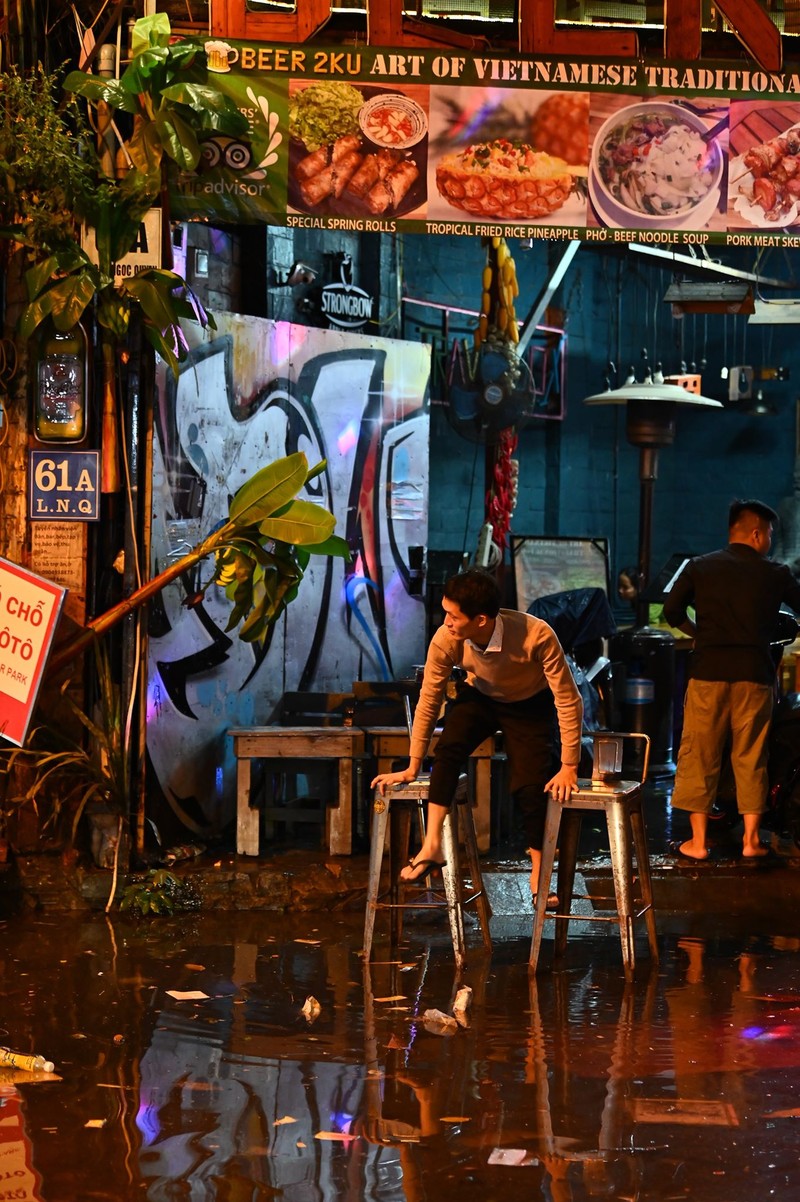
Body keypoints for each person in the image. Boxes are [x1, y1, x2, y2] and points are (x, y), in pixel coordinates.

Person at [371, 567, 583, 896]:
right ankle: (431, 846)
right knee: (450, 747)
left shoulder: (536, 635)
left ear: (481, 620)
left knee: (530, 784)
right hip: (482, 696)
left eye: (453, 616)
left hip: (529, 703)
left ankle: (541, 871)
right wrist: (413, 764)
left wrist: (569, 766)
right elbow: (429, 699)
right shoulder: (447, 639)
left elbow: (569, 700)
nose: (446, 623)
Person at [663, 498, 800, 860]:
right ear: (756, 533)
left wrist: (698, 635)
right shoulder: (776, 574)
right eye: (769, 533)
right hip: (754, 677)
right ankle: (751, 841)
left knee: (700, 754)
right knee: (751, 756)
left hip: (708, 674)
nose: (770, 540)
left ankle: (697, 842)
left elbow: (671, 610)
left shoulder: (701, 567)